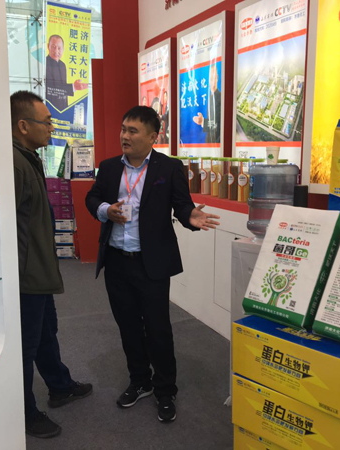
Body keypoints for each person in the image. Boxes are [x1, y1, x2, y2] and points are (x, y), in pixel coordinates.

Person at [85, 106, 220, 423]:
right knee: (128, 327)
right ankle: (140, 381)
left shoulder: (168, 168)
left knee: (158, 329)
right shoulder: (109, 168)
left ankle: (165, 389)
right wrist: (105, 210)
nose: (125, 136)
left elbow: (182, 204)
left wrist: (190, 216)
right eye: (123, 129)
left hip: (151, 264)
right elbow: (92, 198)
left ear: (152, 136)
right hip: (117, 262)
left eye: (132, 131)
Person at [11, 91, 92, 439]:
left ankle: (59, 385)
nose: (51, 128)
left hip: (40, 269)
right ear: (23, 125)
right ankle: (25, 413)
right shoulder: (14, 164)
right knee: (26, 346)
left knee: (46, 333)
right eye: (45, 122)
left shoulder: (29, 157)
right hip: (26, 275)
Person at [45, 34, 87, 111]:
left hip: (63, 109)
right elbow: (51, 87)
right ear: (48, 46)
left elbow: (63, 88)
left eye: (59, 48)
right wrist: (73, 87)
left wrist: (66, 109)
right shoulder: (44, 64)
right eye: (53, 47)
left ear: (63, 49)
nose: (56, 51)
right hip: (49, 108)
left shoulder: (63, 65)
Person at [193, 63, 221, 144]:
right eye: (210, 79)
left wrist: (203, 122)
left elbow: (217, 125)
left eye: (214, 78)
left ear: (217, 78)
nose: (212, 82)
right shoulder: (210, 97)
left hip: (217, 143)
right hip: (209, 142)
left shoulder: (220, 98)